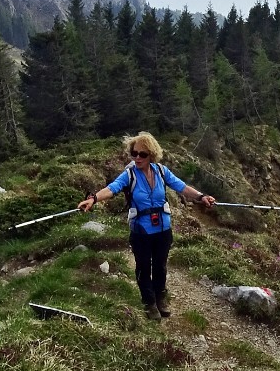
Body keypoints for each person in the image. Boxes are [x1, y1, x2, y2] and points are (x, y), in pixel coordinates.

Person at [78, 132, 215, 319]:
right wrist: (93, 199)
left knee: (160, 266)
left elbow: (181, 186)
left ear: (151, 154)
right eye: (134, 153)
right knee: (143, 266)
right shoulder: (129, 175)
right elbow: (112, 188)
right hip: (141, 230)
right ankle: (149, 303)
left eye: (142, 154)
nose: (137, 158)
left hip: (163, 229)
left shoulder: (161, 171)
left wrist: (201, 197)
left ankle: (160, 298)